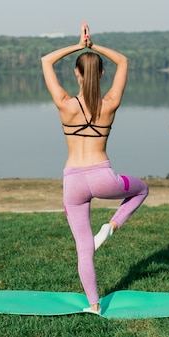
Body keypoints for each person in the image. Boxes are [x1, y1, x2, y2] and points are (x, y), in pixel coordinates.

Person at [41, 22, 149, 315]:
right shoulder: (109, 104)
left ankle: (94, 305)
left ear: (76, 74)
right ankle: (112, 226)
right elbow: (123, 61)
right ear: (102, 73)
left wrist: (80, 46)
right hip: (103, 177)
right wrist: (94, 46)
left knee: (83, 248)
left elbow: (46, 60)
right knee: (142, 189)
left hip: (73, 182)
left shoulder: (65, 104)